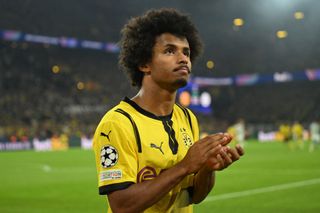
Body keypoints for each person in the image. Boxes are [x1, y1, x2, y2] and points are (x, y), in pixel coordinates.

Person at [92, 8, 244, 213]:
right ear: (144, 63)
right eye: (170, 51)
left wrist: (207, 169)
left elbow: (193, 196)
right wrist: (185, 166)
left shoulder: (188, 118)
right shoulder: (117, 123)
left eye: (186, 52)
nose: (183, 59)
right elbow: (121, 205)